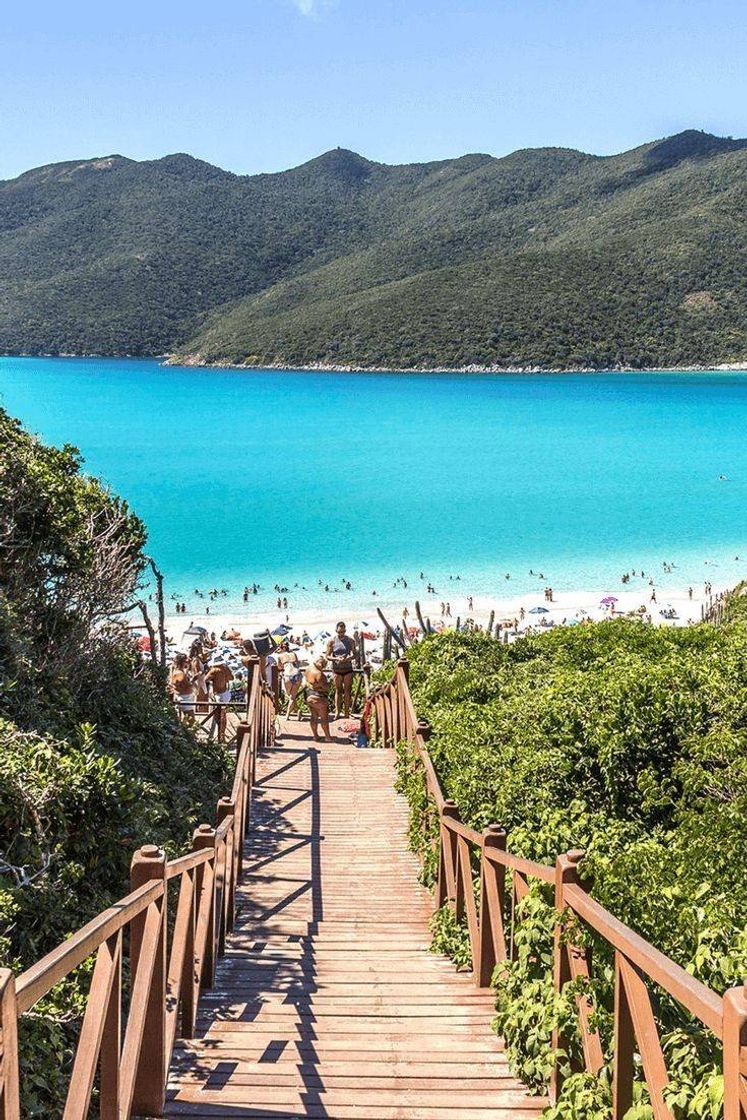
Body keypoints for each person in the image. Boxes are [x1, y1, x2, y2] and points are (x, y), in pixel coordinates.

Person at [326, 621, 356, 719]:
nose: (341, 634)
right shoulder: (332, 641)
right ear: (336, 631)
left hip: (348, 668)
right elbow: (327, 656)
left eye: (343, 632)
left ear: (345, 631)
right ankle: (337, 712)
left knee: (347, 691)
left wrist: (348, 659)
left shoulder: (350, 640)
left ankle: (347, 712)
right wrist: (336, 659)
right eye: (339, 632)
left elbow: (355, 655)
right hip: (336, 669)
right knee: (338, 691)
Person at [205, 656, 233, 743]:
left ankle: (219, 736)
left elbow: (206, 679)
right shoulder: (225, 668)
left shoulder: (214, 670)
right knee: (223, 715)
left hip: (218, 695)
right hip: (225, 692)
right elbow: (231, 678)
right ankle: (221, 735)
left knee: (218, 716)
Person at [305, 656, 331, 742]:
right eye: (323, 665)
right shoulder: (319, 674)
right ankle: (327, 737)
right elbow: (325, 687)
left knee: (314, 716)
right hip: (319, 697)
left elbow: (310, 683)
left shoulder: (308, 669)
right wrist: (329, 685)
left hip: (309, 695)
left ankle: (315, 736)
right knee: (324, 717)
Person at [277, 642, 303, 718]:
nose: (277, 650)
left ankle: (287, 715)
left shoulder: (280, 656)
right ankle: (297, 710)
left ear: (283, 648)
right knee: (293, 696)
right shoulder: (294, 654)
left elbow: (279, 667)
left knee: (290, 696)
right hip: (297, 674)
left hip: (288, 675)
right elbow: (298, 664)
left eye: (279, 649)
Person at [170, 653, 195, 722]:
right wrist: (194, 680)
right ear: (182, 661)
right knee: (191, 720)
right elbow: (187, 686)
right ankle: (184, 731)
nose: (187, 661)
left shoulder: (181, 671)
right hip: (184, 698)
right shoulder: (179, 673)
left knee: (188, 719)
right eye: (186, 660)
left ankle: (183, 730)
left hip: (186, 697)